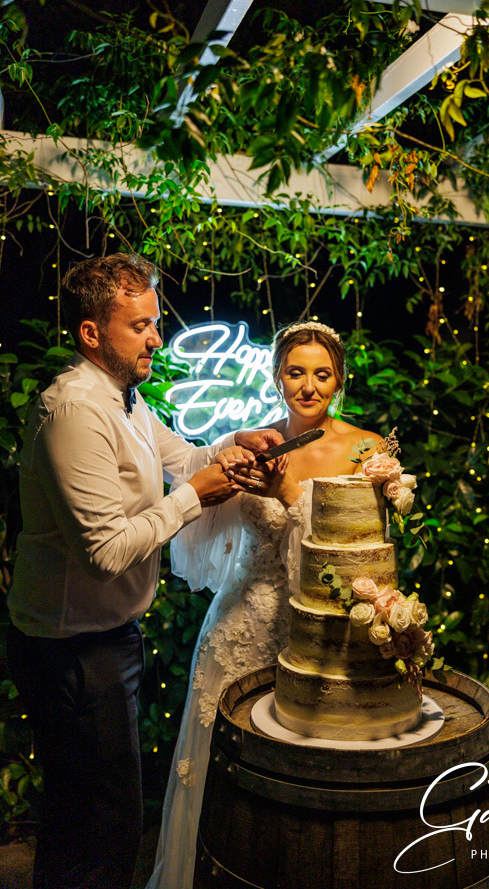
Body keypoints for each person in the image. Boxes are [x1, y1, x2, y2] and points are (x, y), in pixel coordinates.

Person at [6, 253, 283, 889]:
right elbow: (103, 553)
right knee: (106, 830)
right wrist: (197, 497)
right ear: (91, 333)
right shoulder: (75, 412)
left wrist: (231, 443)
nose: (157, 337)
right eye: (141, 326)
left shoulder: (123, 399)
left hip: (102, 642)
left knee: (83, 819)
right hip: (72, 648)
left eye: (156, 322)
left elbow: (181, 459)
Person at [147, 321, 382, 889]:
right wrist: (225, 482)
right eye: (295, 372)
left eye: (321, 374)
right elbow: (203, 533)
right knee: (225, 765)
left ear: (339, 379)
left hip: (321, 631)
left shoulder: (365, 451)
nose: (308, 386)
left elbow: (353, 564)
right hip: (241, 622)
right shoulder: (253, 442)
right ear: (277, 377)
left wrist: (283, 496)